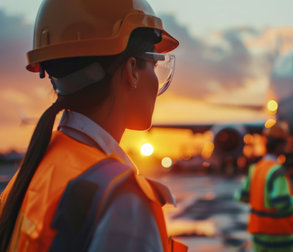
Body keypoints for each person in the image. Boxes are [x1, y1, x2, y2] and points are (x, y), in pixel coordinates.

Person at [0, 0, 187, 251]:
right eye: (154, 64)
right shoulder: (122, 202)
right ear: (131, 70)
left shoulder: (34, 171)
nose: (155, 79)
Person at [235, 122, 293, 252]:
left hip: (258, 235)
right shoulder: (277, 171)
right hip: (278, 237)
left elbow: (241, 196)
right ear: (280, 145)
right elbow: (281, 203)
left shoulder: (255, 168)